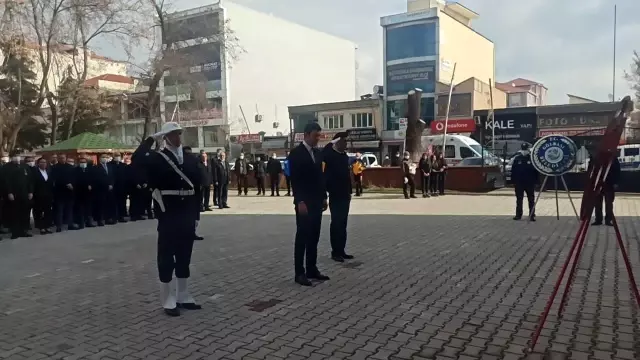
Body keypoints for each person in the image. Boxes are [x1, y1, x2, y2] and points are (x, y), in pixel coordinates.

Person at [131, 122, 202, 317]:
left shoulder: (189, 158)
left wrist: (196, 214)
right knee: (166, 254)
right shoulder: (157, 158)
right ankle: (167, 298)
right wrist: (151, 139)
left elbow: (198, 187)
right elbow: (136, 159)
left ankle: (183, 294)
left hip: (187, 210)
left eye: (179, 134)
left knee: (184, 254)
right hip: (168, 210)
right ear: (165, 137)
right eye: (173, 134)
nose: (178, 138)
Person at [289, 122, 329, 287]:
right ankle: (300, 272)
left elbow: (320, 178)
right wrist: (299, 201)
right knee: (303, 237)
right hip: (304, 202)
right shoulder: (296, 154)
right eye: (315, 135)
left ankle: (312, 268)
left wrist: (324, 197)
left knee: (314, 236)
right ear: (306, 135)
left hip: (317, 201)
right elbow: (295, 180)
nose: (318, 139)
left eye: (319, 136)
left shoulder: (318, 154)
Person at [322, 132, 354, 263]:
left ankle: (341, 250)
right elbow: (324, 177)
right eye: (344, 141)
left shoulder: (344, 156)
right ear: (337, 143)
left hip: (345, 194)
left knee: (343, 223)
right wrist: (324, 195)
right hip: (335, 194)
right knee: (336, 223)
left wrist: (350, 192)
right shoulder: (329, 156)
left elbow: (347, 177)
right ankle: (335, 252)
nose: (346, 144)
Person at [4, 152, 34, 239]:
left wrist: (30, 192)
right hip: (13, 194)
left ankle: (23, 231)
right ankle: (15, 232)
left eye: (18, 156)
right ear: (11, 157)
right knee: (14, 213)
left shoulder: (25, 166)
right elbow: (6, 181)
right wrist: (9, 192)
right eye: (15, 156)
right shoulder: (6, 167)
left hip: (24, 193)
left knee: (24, 213)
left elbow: (30, 180)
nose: (17, 158)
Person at [592, 152, 621, 226]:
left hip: (609, 183)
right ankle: (598, 219)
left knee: (609, 203)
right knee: (597, 203)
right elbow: (591, 169)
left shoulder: (612, 157)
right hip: (598, 183)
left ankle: (608, 220)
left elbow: (617, 170)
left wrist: (616, 182)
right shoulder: (596, 156)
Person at [511, 143, 538, 221]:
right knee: (519, 199)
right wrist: (513, 182)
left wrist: (536, 182)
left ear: (528, 150)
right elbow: (513, 171)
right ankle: (518, 215)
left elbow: (536, 172)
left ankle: (532, 215)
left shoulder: (532, 159)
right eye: (523, 150)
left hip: (530, 182)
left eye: (525, 150)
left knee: (531, 199)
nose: (524, 151)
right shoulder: (517, 159)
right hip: (519, 183)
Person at [52, 154, 78, 232]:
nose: (62, 159)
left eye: (63, 158)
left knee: (69, 209)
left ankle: (70, 224)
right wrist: (66, 183)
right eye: (60, 158)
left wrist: (72, 184)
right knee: (59, 210)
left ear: (66, 158)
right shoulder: (54, 168)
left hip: (69, 192)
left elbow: (74, 177)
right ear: (58, 159)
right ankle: (59, 226)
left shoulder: (70, 167)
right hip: (59, 192)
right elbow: (55, 179)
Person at [93, 153, 116, 226]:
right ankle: (100, 220)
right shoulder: (96, 168)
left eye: (106, 157)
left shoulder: (110, 167)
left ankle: (108, 219)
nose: (105, 158)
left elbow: (112, 176)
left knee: (109, 204)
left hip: (110, 189)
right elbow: (98, 179)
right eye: (103, 157)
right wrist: (106, 185)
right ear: (100, 159)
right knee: (101, 205)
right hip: (101, 189)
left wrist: (111, 184)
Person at [32, 157, 53, 234]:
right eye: (41, 162)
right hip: (38, 195)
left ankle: (47, 226)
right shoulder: (35, 172)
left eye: (44, 162)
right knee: (39, 212)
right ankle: (41, 227)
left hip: (48, 195)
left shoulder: (48, 172)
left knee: (48, 211)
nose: (43, 164)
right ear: (38, 163)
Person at [74, 156, 95, 229]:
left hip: (88, 193)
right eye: (81, 162)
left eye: (84, 162)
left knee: (88, 208)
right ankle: (81, 222)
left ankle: (88, 221)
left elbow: (93, 179)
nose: (83, 163)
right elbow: (76, 181)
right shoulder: (76, 170)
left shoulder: (89, 170)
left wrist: (91, 185)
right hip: (79, 192)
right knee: (80, 209)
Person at [111, 152, 128, 223]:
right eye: (116, 156)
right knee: (114, 203)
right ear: (113, 157)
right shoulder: (110, 165)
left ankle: (121, 216)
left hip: (122, 187)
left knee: (122, 203)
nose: (117, 157)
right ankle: (114, 217)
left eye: (118, 156)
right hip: (114, 187)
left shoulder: (123, 165)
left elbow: (126, 176)